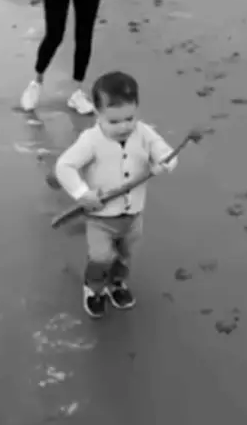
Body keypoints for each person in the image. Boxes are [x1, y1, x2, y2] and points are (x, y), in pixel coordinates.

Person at [53, 71, 177, 318]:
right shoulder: (90, 141)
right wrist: (82, 193)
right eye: (114, 121)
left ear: (137, 110)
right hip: (101, 217)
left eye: (129, 118)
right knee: (101, 257)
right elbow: (64, 166)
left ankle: (117, 283)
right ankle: (94, 289)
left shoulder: (143, 133)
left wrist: (164, 163)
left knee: (126, 254)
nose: (124, 127)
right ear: (97, 114)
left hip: (134, 215)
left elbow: (167, 154)